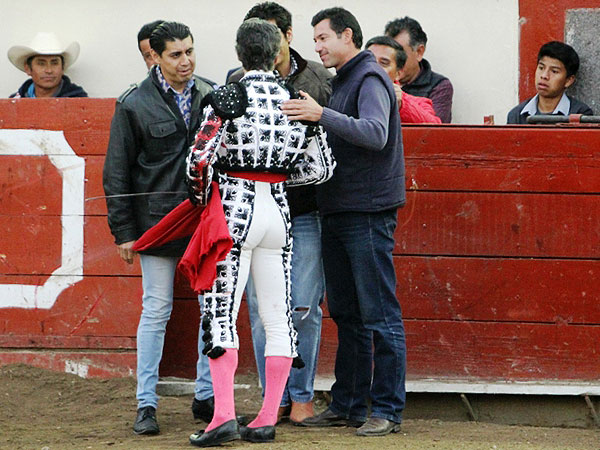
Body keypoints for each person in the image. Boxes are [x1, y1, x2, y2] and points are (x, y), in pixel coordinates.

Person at [186, 18, 335, 447]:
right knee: (277, 314)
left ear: (239, 54)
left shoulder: (228, 97)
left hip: (233, 210)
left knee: (221, 314)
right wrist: (278, 179)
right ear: (275, 55)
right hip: (278, 212)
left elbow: (198, 162)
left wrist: (206, 195)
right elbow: (322, 167)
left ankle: (224, 417)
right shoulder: (296, 98)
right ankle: (267, 417)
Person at [281, 7, 407, 437]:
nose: (317, 47)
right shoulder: (349, 79)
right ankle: (349, 403)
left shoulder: (369, 78)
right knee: (350, 314)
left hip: (366, 211)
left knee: (378, 314)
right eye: (314, 40)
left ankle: (387, 408)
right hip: (340, 208)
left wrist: (321, 115)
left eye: (323, 38)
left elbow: (375, 132)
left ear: (347, 36)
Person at [103, 21, 216, 436]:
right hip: (157, 222)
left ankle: (206, 395)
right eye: (175, 54)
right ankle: (146, 403)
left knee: (211, 310)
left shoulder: (210, 94)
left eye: (189, 51)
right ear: (156, 56)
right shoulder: (134, 103)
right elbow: (116, 173)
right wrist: (124, 232)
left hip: (203, 220)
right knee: (156, 309)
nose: (186, 61)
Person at [227, 1, 332, 425]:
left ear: (287, 37)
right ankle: (275, 396)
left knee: (302, 305)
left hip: (303, 212)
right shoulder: (236, 82)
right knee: (260, 306)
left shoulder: (320, 80)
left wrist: (272, 179)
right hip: (259, 209)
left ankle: (301, 393)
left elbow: (326, 154)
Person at [384, 17, 453, 123]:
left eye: (399, 53)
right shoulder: (376, 80)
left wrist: (403, 102)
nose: (394, 60)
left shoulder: (439, 86)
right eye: (389, 53)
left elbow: (437, 132)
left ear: (419, 52)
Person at [507, 41, 593, 124]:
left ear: (568, 80)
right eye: (541, 68)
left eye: (554, 71)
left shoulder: (580, 114)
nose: (544, 76)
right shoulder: (517, 115)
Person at [366, 35, 441, 124]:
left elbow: (434, 127)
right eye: (370, 61)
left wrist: (402, 105)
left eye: (383, 63)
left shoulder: (419, 103)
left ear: (399, 73)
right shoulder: (347, 91)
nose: (374, 67)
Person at [8, 32, 87, 98]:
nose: (49, 70)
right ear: (28, 68)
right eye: (41, 64)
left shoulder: (79, 101)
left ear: (63, 68)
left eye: (54, 63)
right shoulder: (13, 103)